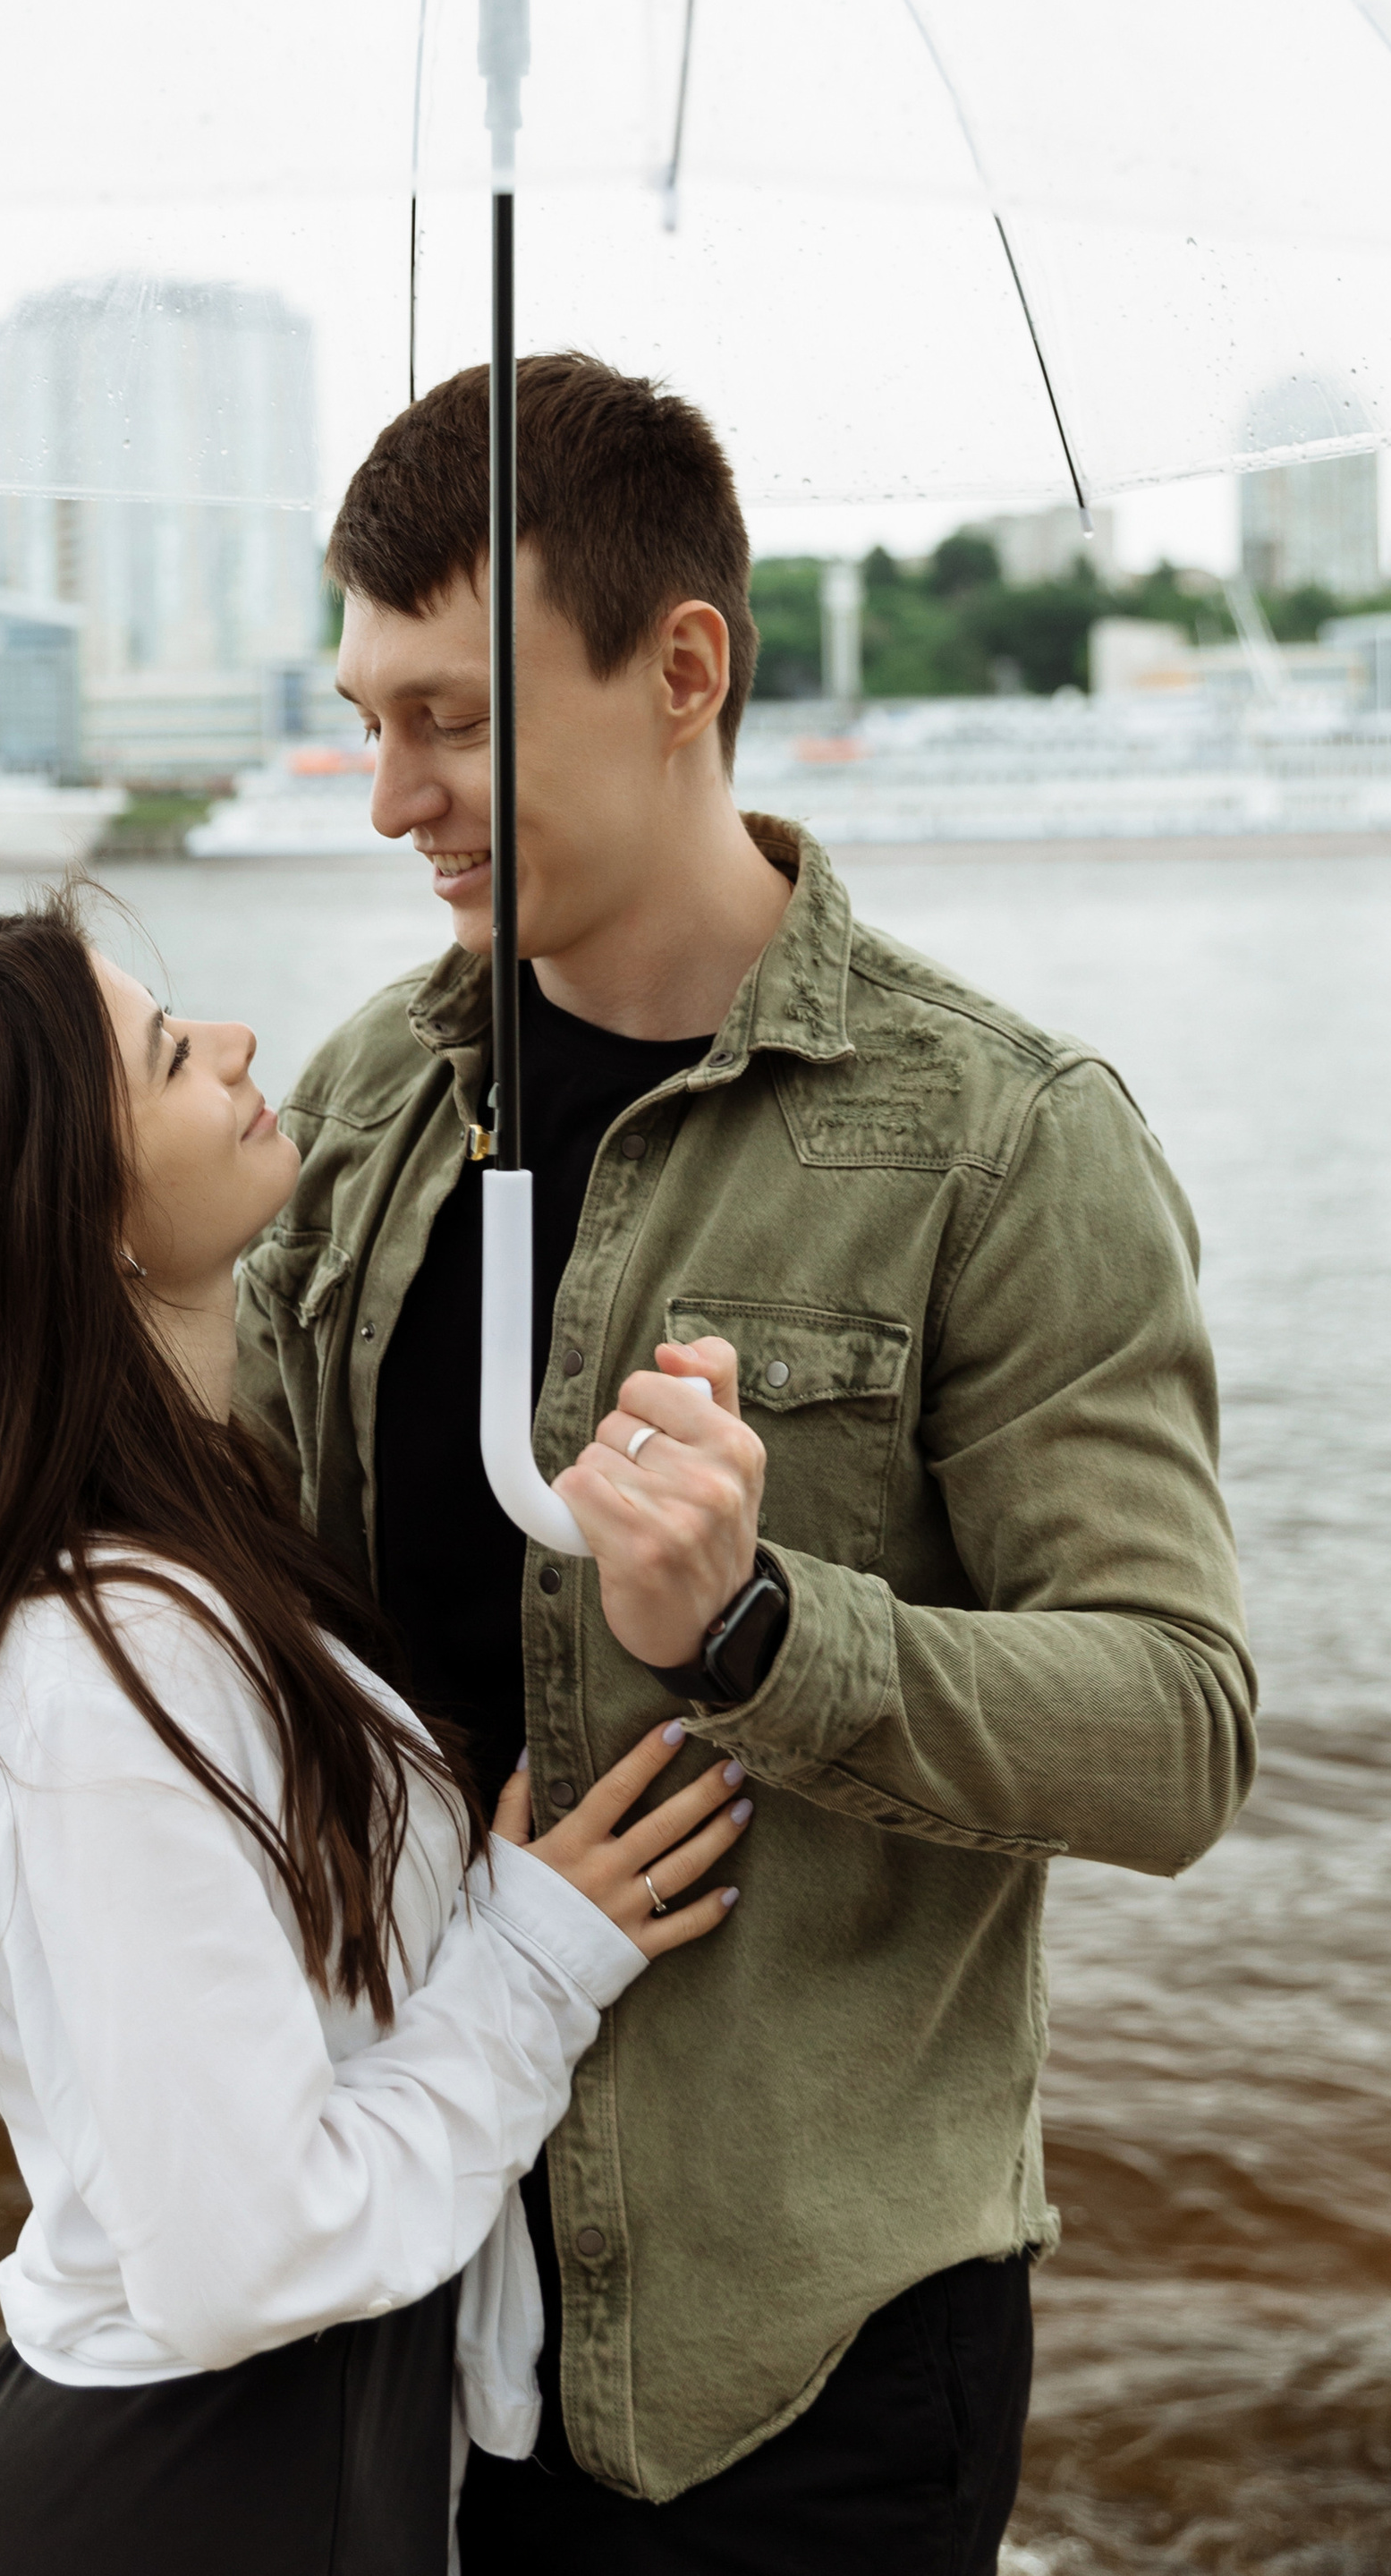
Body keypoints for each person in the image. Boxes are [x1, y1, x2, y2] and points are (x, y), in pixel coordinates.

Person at [233, 353, 1259, 2573]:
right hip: (396, 2299)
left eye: (455, 717)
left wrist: (759, 1629)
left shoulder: (1000, 1137)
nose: (387, 792)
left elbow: (1177, 1734)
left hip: (794, 2371)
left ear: (680, 670)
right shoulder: (361, 1106)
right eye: (368, 709)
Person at [0, 894, 753, 2576]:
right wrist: (534, 1960)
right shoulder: (100, 1667)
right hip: (189, 2490)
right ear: (81, 1223)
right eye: (168, 1053)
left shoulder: (180, 1564)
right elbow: (240, 2256)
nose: (232, 1046)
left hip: (253, 2466)